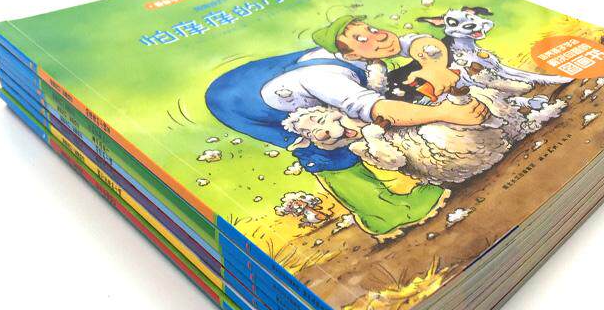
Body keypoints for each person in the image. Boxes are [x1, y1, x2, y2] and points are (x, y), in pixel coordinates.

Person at [205, 14, 487, 237]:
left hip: (262, 79)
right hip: (243, 105)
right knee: (325, 147)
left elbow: (421, 44)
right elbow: (379, 110)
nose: (379, 37)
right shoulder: (328, 78)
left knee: (353, 125)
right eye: (362, 38)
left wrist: (434, 67)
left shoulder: (361, 52)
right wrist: (444, 113)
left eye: (372, 30)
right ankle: (384, 213)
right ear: (349, 54)